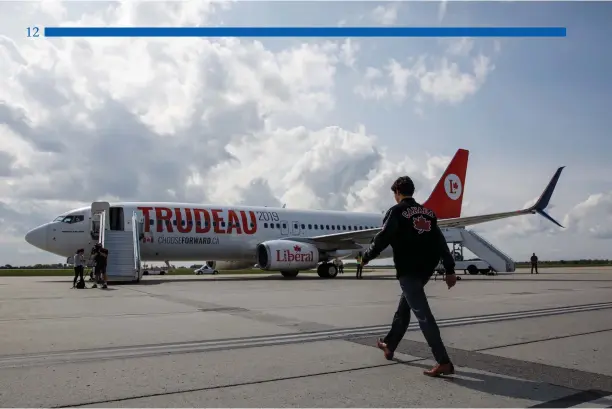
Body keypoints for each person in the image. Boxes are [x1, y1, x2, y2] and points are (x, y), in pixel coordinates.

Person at [360, 175, 457, 377]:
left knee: (423, 315)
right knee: (404, 309)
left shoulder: (396, 211)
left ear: (397, 193)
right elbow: (440, 242)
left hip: (408, 270)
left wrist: (367, 256)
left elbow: (383, 237)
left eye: (394, 194)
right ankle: (389, 344)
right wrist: (449, 269)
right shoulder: (429, 213)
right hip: (425, 270)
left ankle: (443, 361)